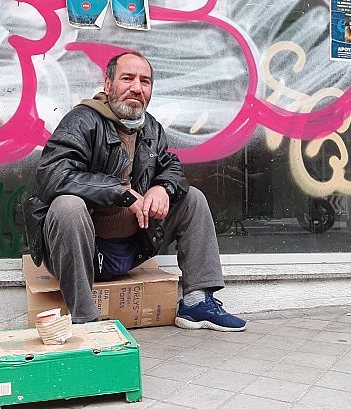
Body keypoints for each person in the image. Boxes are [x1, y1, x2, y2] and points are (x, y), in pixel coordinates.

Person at [24, 51, 246, 332]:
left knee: (192, 199)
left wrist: (162, 188)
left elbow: (171, 167)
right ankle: (84, 319)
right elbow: (53, 175)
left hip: (132, 249)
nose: (137, 88)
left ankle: (196, 303)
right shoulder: (81, 121)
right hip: (87, 255)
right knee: (67, 205)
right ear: (108, 85)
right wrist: (123, 193)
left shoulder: (150, 127)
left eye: (145, 81)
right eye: (127, 78)